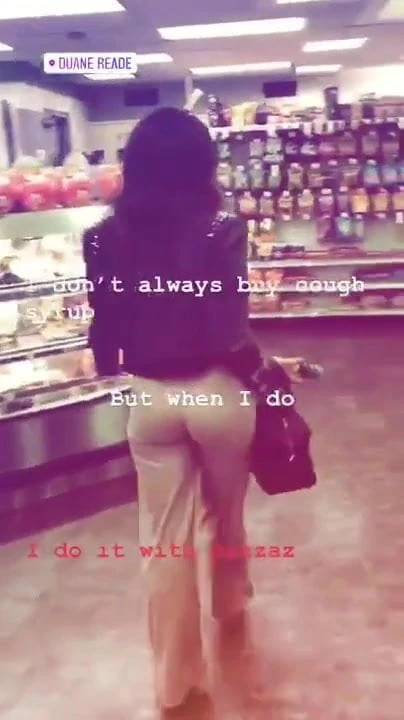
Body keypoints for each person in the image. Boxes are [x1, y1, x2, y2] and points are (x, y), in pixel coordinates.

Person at [82, 107, 303, 717]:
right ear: (204, 164)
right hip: (217, 392)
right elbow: (228, 331)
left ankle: (176, 682)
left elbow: (105, 330)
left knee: (163, 542)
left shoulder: (101, 236)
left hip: (151, 398)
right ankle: (229, 601)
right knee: (225, 513)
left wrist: (119, 365)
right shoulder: (222, 229)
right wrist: (265, 370)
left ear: (133, 166)